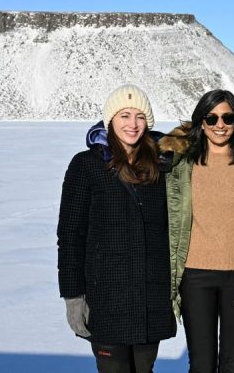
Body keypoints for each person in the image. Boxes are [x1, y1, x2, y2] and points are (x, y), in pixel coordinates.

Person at [57, 84, 176, 373]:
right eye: (124, 115)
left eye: (140, 116)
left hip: (150, 296)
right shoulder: (86, 165)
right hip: (106, 297)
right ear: (110, 120)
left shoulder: (162, 166)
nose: (132, 124)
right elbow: (70, 236)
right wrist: (73, 296)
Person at [158, 90, 234, 373]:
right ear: (201, 122)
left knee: (233, 363)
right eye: (211, 118)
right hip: (195, 275)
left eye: (227, 118)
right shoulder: (180, 162)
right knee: (202, 363)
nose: (220, 125)